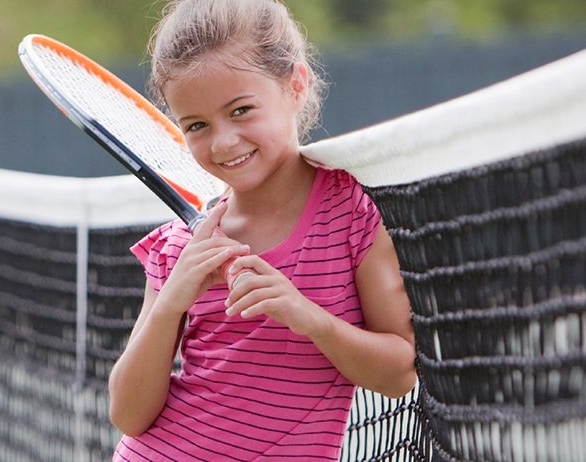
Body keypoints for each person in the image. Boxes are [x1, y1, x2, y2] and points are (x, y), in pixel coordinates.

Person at [107, 0, 417, 460]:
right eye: (197, 125)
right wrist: (172, 299)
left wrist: (308, 317)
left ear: (295, 85)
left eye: (241, 110)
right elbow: (128, 414)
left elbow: (400, 374)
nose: (223, 141)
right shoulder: (180, 247)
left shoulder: (355, 213)